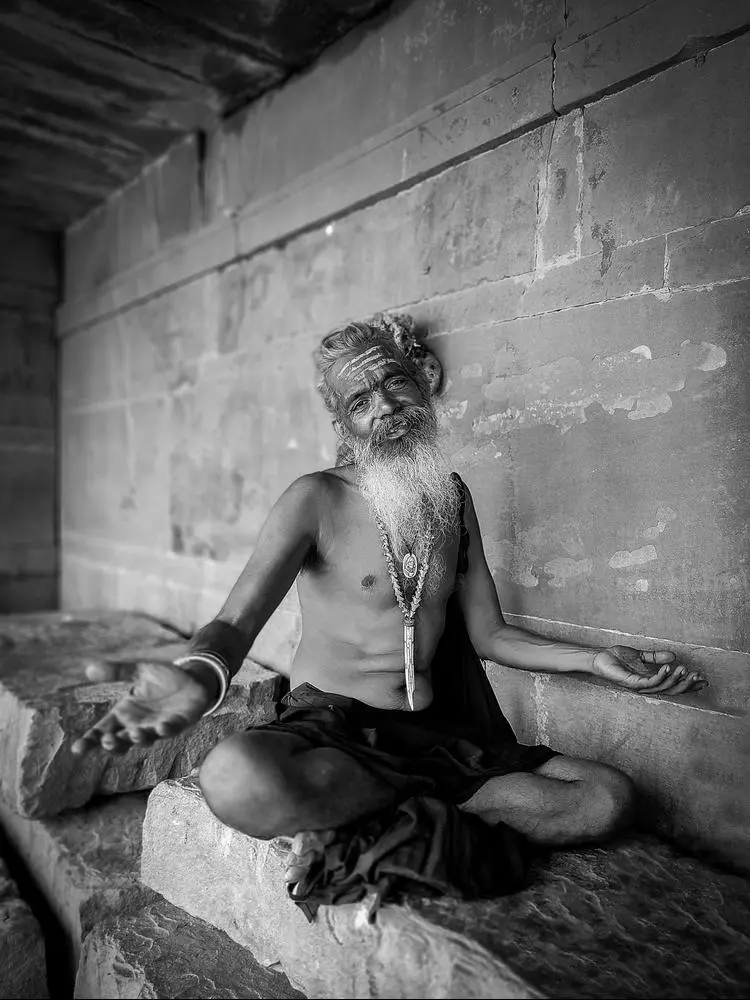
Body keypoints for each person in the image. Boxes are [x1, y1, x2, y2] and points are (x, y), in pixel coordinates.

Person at [73, 313, 706, 895]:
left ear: (423, 387)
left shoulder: (451, 498)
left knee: (607, 798)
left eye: (396, 384)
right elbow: (238, 621)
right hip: (341, 738)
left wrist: (594, 662)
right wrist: (199, 676)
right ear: (343, 424)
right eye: (360, 401)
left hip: (438, 741)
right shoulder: (315, 498)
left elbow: (490, 636)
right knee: (234, 776)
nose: (386, 407)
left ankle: (374, 820)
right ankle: (383, 810)